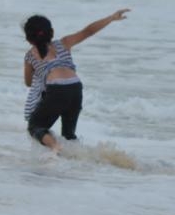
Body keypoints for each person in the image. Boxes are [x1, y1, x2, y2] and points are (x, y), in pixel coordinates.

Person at [22, 9, 130, 153]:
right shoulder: (64, 43)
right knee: (69, 135)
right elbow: (88, 31)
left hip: (56, 89)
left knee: (35, 126)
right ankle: (77, 160)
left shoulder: (30, 56)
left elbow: (28, 82)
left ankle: (55, 147)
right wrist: (111, 18)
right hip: (75, 87)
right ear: (51, 32)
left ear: (29, 39)